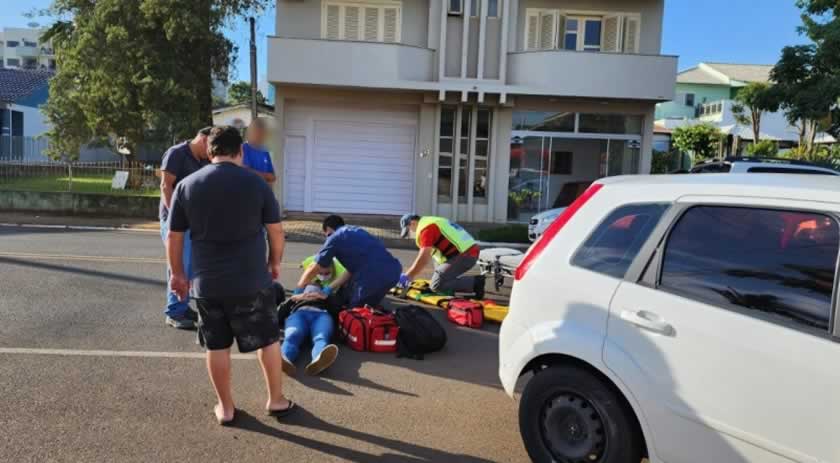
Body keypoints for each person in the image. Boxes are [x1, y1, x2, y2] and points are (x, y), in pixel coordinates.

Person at [166, 126, 294, 425]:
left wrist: (178, 275)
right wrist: (274, 262)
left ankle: (226, 408)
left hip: (207, 283)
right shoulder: (256, 184)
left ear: (210, 152)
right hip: (252, 280)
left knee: (216, 345)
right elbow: (276, 231)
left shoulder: (187, 185)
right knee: (267, 340)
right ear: (240, 151)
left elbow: (174, 237)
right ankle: (276, 400)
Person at [159, 127, 211, 329]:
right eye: (211, 147)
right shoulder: (176, 153)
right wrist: (175, 217)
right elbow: (166, 186)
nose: (212, 152)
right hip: (176, 221)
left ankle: (182, 305)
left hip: (194, 221)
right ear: (203, 139)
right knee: (179, 264)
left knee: (190, 266)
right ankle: (174, 313)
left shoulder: (204, 160)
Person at [295, 215, 401, 308]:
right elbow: (350, 270)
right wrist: (328, 289)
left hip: (373, 276)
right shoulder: (357, 231)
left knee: (354, 313)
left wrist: (298, 290)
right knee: (369, 309)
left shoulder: (334, 238)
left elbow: (314, 267)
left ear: (328, 230)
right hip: (393, 273)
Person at [278, 256, 348, 376]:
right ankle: (284, 357)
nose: (316, 281)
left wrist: (327, 298)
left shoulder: (326, 293)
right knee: (292, 335)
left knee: (321, 337)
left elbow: (338, 310)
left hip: (321, 314)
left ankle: (319, 359)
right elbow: (279, 315)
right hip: (299, 313)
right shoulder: (298, 293)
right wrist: (294, 299)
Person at [398, 214, 486, 299]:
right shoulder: (430, 222)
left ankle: (476, 283)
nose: (411, 234)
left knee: (436, 286)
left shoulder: (426, 229)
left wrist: (408, 275)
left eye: (409, 230)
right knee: (437, 281)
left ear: (413, 223)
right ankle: (448, 286)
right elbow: (436, 259)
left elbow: (424, 257)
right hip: (464, 252)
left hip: (466, 254)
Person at [242, 118, 276, 185]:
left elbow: (273, 177)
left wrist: (256, 174)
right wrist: (266, 176)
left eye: (263, 133)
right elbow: (244, 172)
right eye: (258, 132)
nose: (261, 135)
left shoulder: (265, 151)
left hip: (264, 192)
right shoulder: (243, 149)